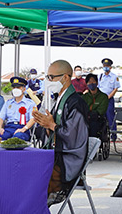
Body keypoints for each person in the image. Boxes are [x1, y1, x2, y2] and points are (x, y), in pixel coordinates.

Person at [31, 60, 89, 205]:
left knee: (36, 183)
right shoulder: (59, 100)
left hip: (68, 159)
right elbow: (54, 129)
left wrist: (52, 125)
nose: (48, 81)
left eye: (51, 77)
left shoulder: (76, 103)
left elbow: (73, 136)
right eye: (47, 77)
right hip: (56, 154)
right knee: (26, 170)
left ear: (65, 77)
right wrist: (45, 125)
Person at [99, 58, 120, 132]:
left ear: (110, 67)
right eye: (104, 65)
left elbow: (115, 88)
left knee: (110, 117)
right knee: (101, 117)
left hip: (109, 99)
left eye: (107, 65)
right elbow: (98, 87)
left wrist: (108, 97)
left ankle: (113, 134)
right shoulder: (100, 76)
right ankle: (102, 133)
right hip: (101, 100)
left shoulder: (114, 77)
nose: (106, 67)